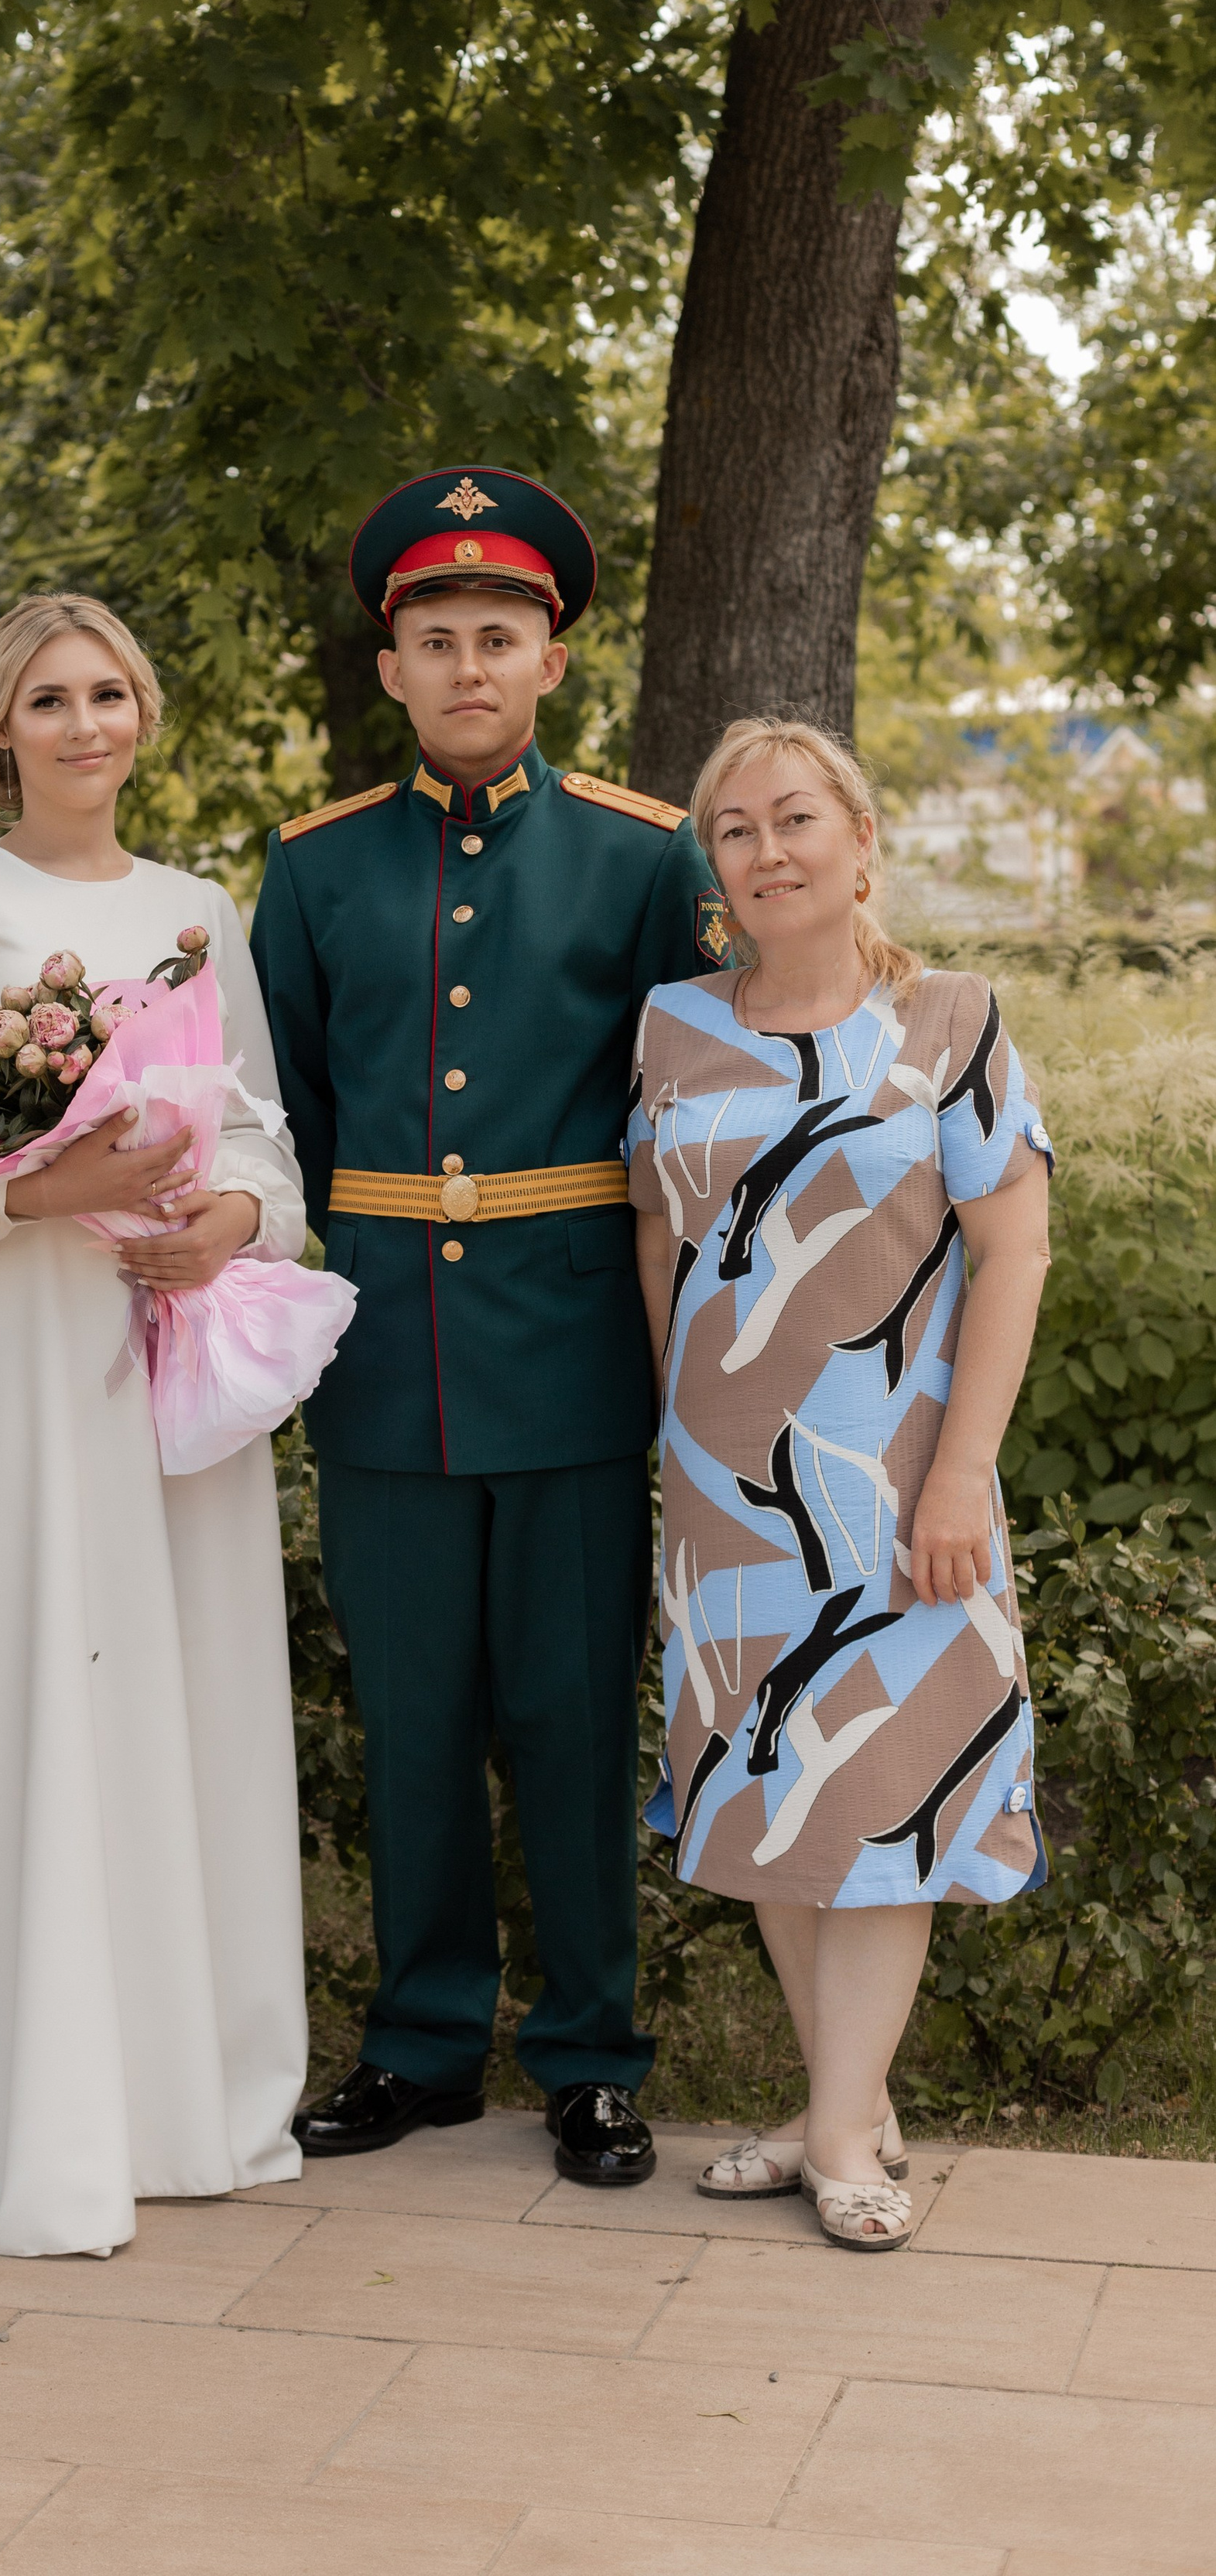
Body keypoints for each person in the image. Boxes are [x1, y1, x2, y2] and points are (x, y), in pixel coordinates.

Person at [0, 592, 310, 2257]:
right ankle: (16, 2104)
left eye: (108, 694)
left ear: (142, 716)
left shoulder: (195, 909)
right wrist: (52, 1185)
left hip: (160, 1351)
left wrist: (227, 1224)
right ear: (0, 729)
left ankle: (183, 2099)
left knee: (176, 1703)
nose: (83, 723)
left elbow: (259, 1138)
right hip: (12, 1368)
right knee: (30, 1694)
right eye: (48, 699)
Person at [252, 467, 721, 2182]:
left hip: (581, 1348)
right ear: (389, 671)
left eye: (497, 636)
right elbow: (287, 1120)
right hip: (381, 1355)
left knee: (571, 1714)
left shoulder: (643, 855)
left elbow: (699, 1102)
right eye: (434, 639)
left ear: (548, 663)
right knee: (412, 1718)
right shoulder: (310, 871)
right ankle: (423, 2045)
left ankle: (590, 2055)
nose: (466, 665)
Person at [629, 717, 1052, 2250]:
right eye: (732, 829)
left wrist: (961, 1474)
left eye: (793, 817)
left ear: (859, 839)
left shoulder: (948, 1021)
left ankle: (835, 2138)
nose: (764, 848)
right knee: (770, 1799)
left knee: (880, 1800)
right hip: (723, 1490)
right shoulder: (672, 1026)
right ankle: (841, 2117)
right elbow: (658, 1250)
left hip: (897, 1484)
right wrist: (681, 1443)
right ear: (713, 870)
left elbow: (1011, 1248)